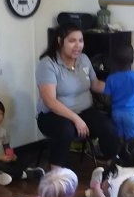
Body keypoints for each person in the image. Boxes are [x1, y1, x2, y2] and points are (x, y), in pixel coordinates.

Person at [35, 26, 118, 169]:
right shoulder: (48, 64)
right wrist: (76, 119)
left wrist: (119, 88)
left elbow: (95, 84)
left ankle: (114, 169)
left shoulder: (84, 59)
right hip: (52, 115)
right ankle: (56, 173)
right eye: (72, 41)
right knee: (65, 130)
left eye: (80, 40)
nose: (78, 45)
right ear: (60, 41)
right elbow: (50, 102)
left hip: (84, 111)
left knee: (108, 127)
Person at [0, 97, 44, 185]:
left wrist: (11, 155)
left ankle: (3, 175)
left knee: (27, 155)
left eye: (0, 113)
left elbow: (6, 146)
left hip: (4, 160)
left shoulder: (3, 131)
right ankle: (25, 173)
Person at [103, 43, 134, 140]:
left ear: (115, 61)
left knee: (119, 141)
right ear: (132, 60)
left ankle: (120, 150)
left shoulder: (111, 78)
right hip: (132, 114)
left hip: (116, 114)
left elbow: (107, 100)